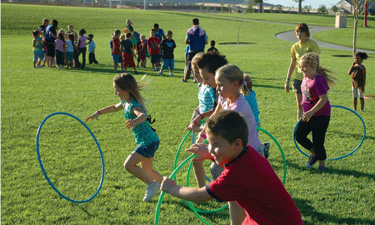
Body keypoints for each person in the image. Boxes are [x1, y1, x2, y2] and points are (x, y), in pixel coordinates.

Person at [161, 110, 304, 225]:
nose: (210, 149)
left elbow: (201, 195)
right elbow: (234, 165)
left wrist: (172, 188)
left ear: (236, 144)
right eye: (209, 143)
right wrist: (211, 155)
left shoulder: (235, 175)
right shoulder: (247, 152)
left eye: (216, 145)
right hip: (270, 218)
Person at [85, 73, 163, 202]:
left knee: (128, 165)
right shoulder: (125, 102)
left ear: (126, 91)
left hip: (148, 142)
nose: (115, 92)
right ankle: (170, 185)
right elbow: (114, 107)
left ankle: (151, 185)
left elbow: (143, 116)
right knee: (148, 170)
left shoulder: (133, 105)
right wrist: (98, 112)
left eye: (117, 89)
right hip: (150, 141)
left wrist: (135, 121)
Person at [295, 53, 336, 171]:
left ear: (313, 66)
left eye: (304, 67)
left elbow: (323, 99)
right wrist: (304, 110)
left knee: (318, 140)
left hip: (320, 115)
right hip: (308, 114)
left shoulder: (318, 79)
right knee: (299, 135)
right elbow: (305, 97)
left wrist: (311, 112)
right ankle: (314, 154)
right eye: (301, 66)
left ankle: (322, 165)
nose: (302, 69)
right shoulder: (305, 78)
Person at [285, 23, 320, 120]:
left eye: (301, 31)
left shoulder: (312, 45)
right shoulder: (294, 47)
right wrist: (287, 80)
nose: (298, 34)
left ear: (306, 33)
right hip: (299, 79)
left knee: (310, 105)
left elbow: (317, 62)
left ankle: (311, 123)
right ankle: (300, 125)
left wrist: (316, 77)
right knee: (300, 105)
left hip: (310, 80)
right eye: (297, 32)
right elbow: (292, 64)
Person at [183, 18, 208, 82]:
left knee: (189, 66)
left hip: (192, 51)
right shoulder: (203, 31)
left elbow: (186, 41)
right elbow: (206, 42)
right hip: (200, 51)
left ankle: (185, 79)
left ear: (192, 23)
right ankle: (199, 79)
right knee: (200, 66)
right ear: (198, 23)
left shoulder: (189, 31)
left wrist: (191, 42)